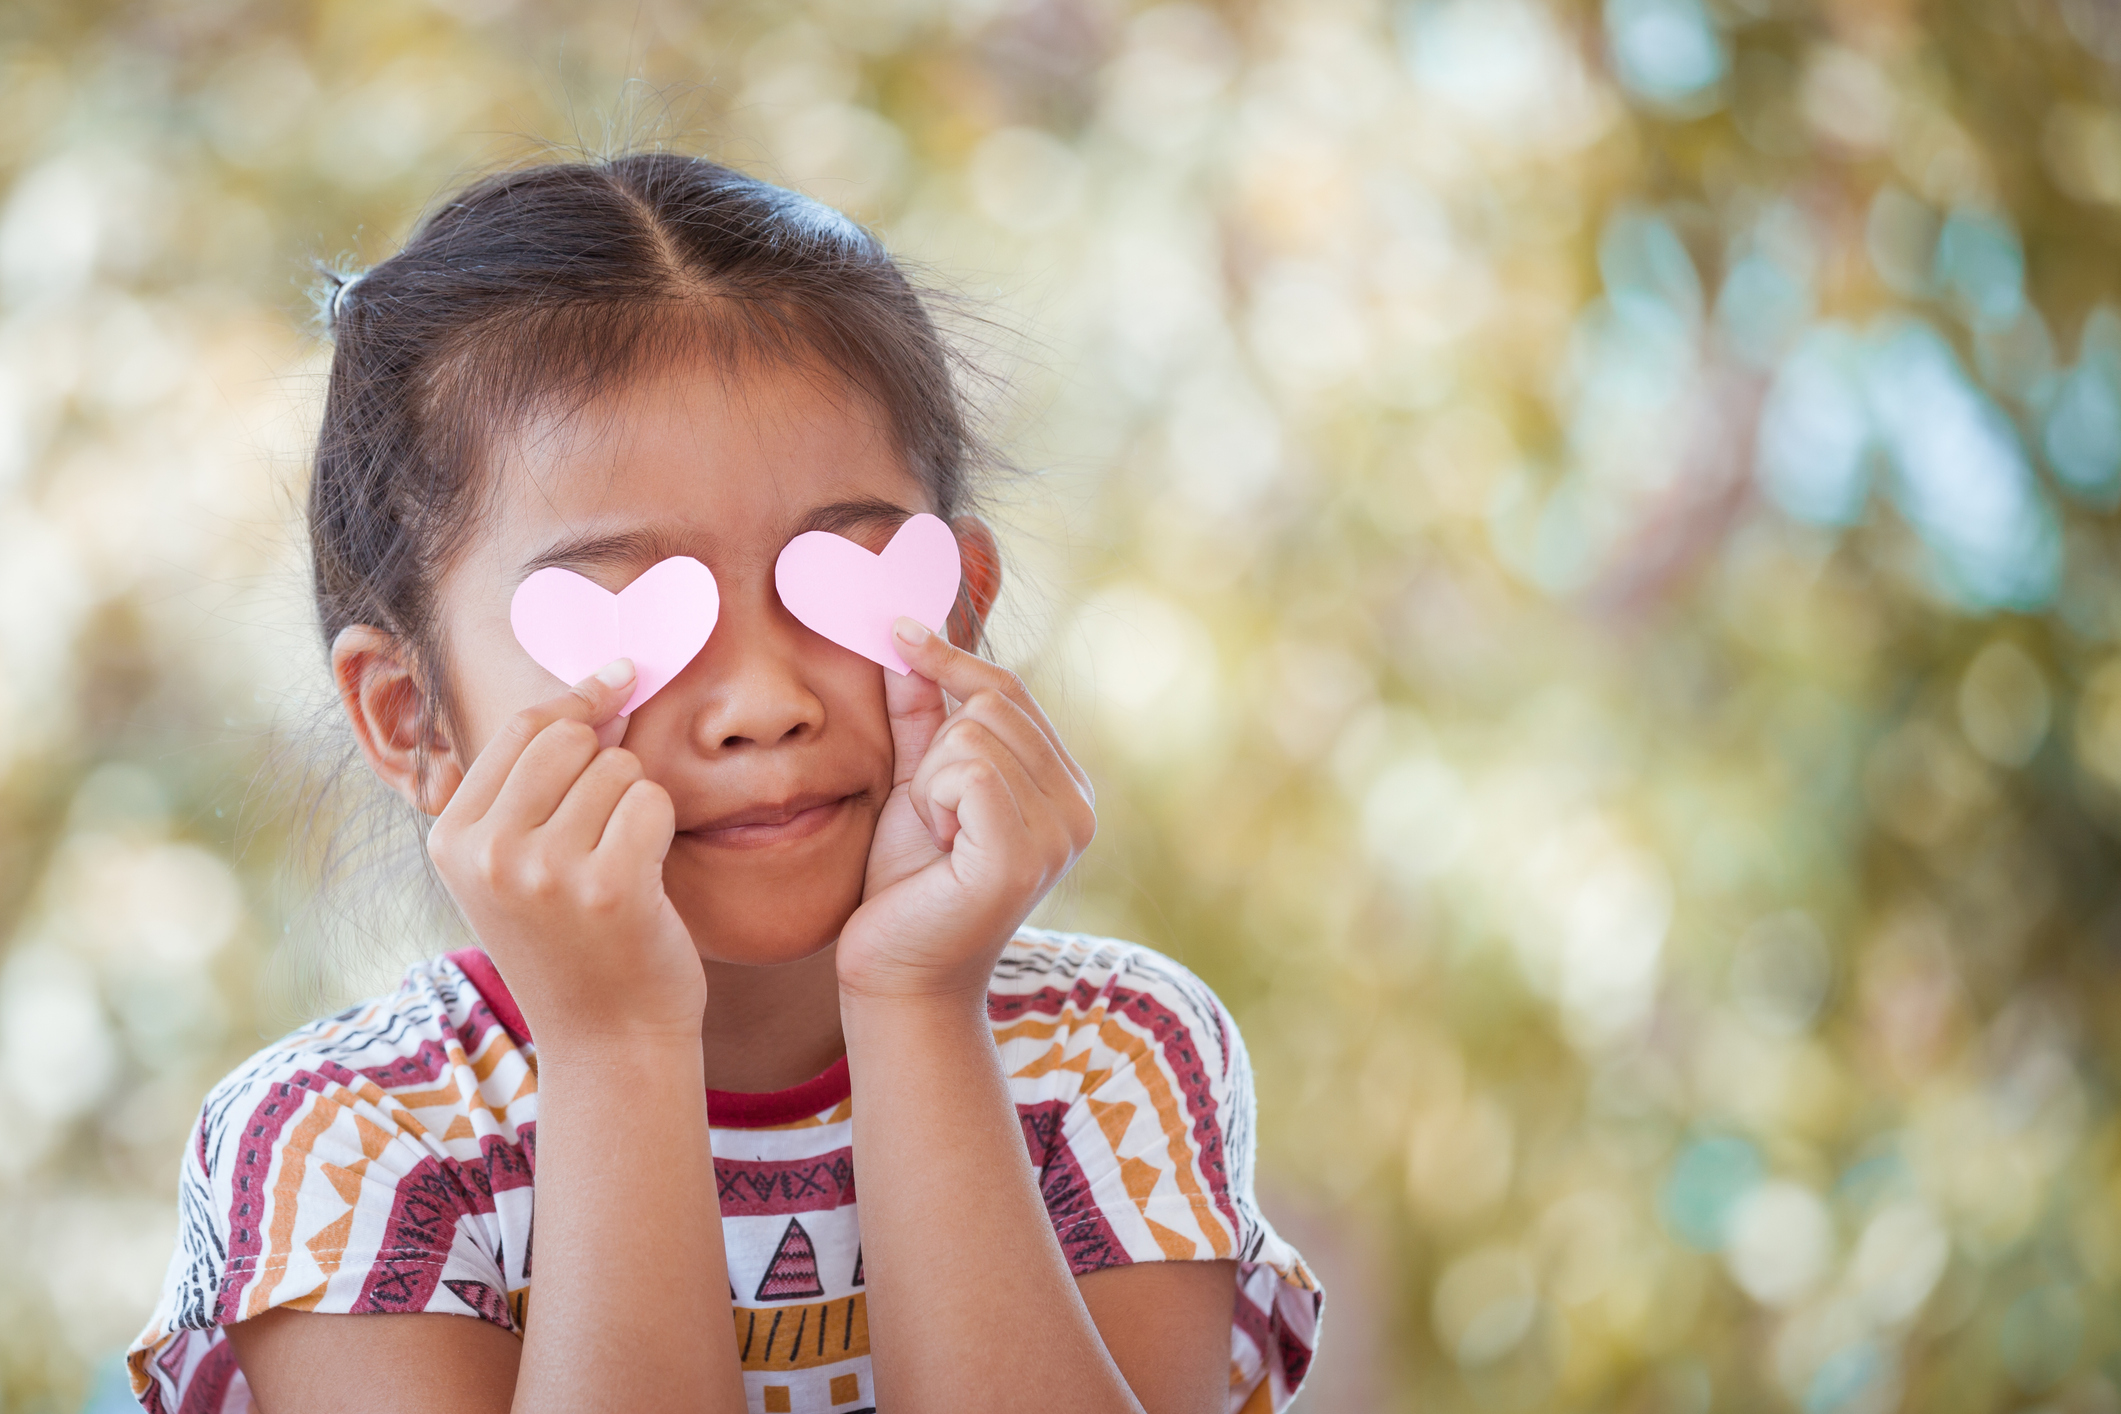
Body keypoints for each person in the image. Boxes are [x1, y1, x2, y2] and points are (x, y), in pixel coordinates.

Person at [127, 151, 1319, 1414]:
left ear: (958, 605)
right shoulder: (348, 1144)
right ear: (412, 714)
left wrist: (917, 1002)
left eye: (838, 579)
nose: (763, 701)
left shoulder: (1108, 1058)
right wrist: (615, 1040)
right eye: (632, 618)